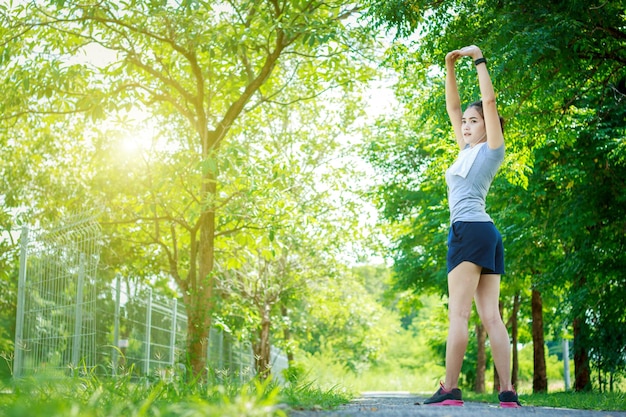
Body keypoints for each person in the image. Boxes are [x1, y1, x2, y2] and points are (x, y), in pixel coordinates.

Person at [423, 45, 521, 408]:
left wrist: (479, 59)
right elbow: (452, 107)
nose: (465, 125)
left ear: (489, 127)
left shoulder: (492, 149)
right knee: (491, 317)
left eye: (473, 121)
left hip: (468, 230)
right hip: (487, 234)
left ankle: (450, 388)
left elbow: (490, 102)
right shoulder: (466, 150)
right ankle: (507, 392)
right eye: (465, 121)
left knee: (460, 315)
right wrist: (449, 66)